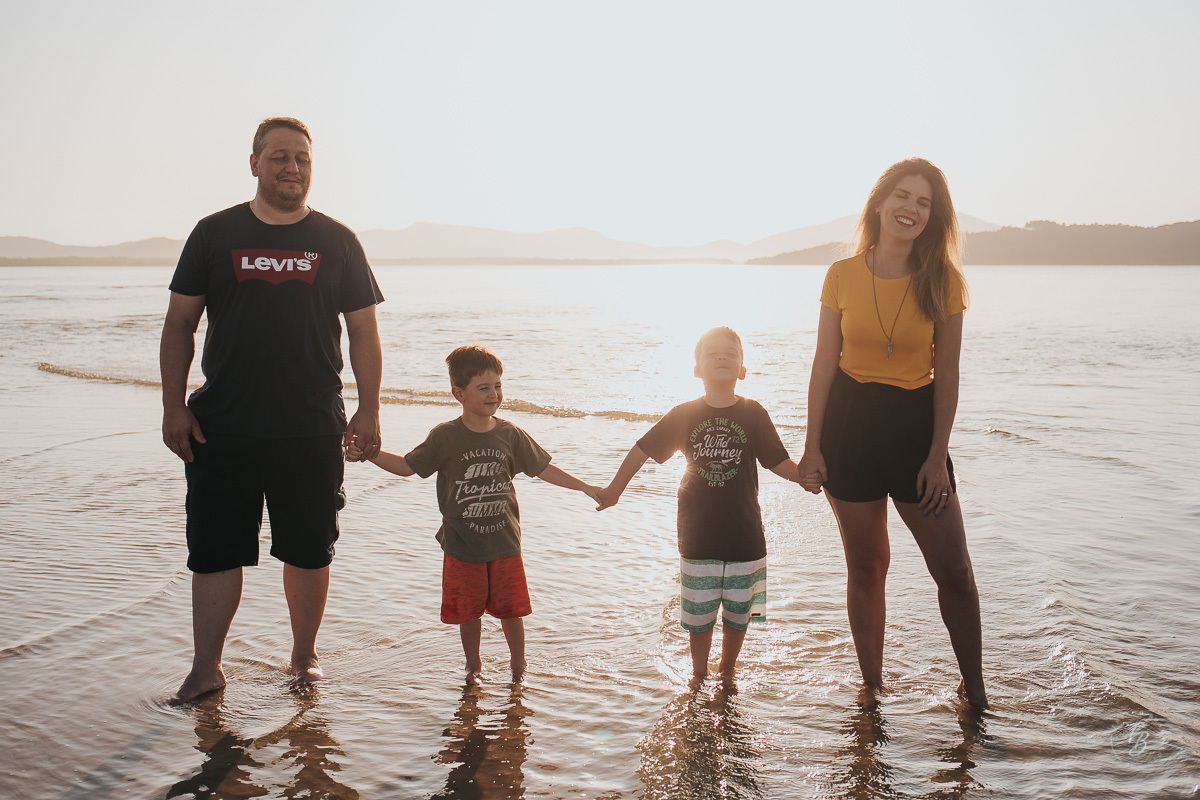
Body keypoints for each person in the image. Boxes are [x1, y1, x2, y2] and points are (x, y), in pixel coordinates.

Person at [160, 117, 384, 704]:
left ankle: (303, 660)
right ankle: (206, 669)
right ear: (254, 162)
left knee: (309, 549)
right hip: (222, 425)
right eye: (279, 156)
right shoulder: (214, 233)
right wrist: (172, 406)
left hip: (310, 424)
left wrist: (369, 409)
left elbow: (363, 331)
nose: (292, 167)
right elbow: (180, 324)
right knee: (214, 551)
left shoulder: (337, 241)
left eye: (302, 159)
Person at [796, 158, 988, 709]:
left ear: (934, 217)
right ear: (880, 203)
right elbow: (822, 367)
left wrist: (936, 456)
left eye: (924, 203)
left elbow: (947, 374)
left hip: (914, 429)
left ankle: (975, 691)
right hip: (849, 428)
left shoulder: (944, 282)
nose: (911, 209)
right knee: (866, 564)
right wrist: (813, 447)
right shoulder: (840, 275)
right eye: (903, 196)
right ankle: (873, 690)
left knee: (953, 568)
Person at [348, 345, 600, 685]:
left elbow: (543, 469)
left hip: (505, 544)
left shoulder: (509, 434)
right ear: (459, 393)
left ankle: (519, 666)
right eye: (484, 388)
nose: (494, 394)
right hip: (462, 545)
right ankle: (473, 667)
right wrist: (369, 453)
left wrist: (585, 487)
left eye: (498, 385)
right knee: (469, 613)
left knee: (513, 611)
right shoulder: (445, 436)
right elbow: (408, 467)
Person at [596, 327, 802, 685]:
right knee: (699, 612)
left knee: (739, 611)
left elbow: (777, 461)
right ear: (696, 369)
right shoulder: (684, 414)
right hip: (697, 534)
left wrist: (808, 478)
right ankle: (698, 673)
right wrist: (615, 489)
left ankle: (728, 669)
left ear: (742, 369)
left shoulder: (754, 413)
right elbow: (642, 449)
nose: (721, 357)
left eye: (730, 353)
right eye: (712, 354)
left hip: (745, 533)